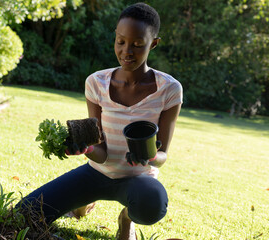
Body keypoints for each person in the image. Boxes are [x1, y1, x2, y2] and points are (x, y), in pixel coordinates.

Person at [16, 2, 182, 240]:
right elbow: (101, 152)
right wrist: (87, 148)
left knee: (152, 204)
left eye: (137, 45)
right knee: (24, 215)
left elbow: (163, 154)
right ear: (115, 37)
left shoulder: (169, 90)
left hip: (139, 183)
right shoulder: (96, 83)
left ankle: (127, 217)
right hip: (95, 175)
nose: (127, 51)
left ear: (153, 44)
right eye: (121, 41)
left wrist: (151, 155)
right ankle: (82, 202)